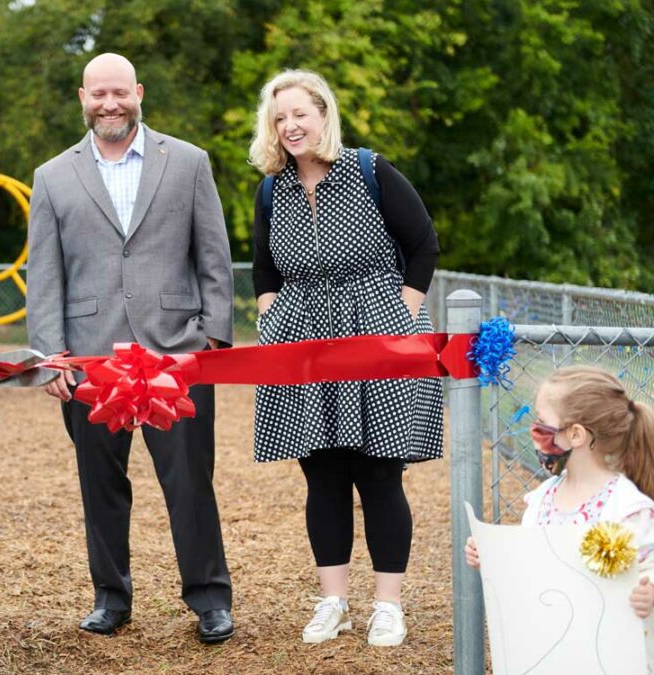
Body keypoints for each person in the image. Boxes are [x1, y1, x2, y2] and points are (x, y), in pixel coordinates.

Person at [27, 53, 235, 643]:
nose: (110, 104)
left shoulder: (188, 161)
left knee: (191, 482)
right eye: (99, 95)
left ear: (138, 92)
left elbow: (214, 256)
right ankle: (111, 597)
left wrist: (214, 338)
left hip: (176, 354)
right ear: (82, 97)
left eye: (120, 92)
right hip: (91, 359)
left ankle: (210, 599)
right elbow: (44, 274)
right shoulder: (53, 176)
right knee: (100, 484)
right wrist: (51, 354)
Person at [249, 69, 443, 647]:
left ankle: (388, 604)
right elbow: (264, 265)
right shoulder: (271, 189)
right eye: (280, 118)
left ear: (324, 115)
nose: (290, 126)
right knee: (323, 474)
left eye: (300, 114)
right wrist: (268, 313)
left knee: (380, 474)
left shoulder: (369, 170)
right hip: (303, 343)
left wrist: (403, 314)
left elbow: (423, 243)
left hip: (379, 334)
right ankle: (333, 600)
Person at [466, 366, 654, 668]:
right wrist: (492, 557)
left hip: (609, 659)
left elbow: (649, 565)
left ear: (576, 434)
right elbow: (530, 562)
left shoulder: (628, 508)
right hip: (551, 652)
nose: (535, 429)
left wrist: (650, 592)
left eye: (543, 422)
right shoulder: (542, 500)